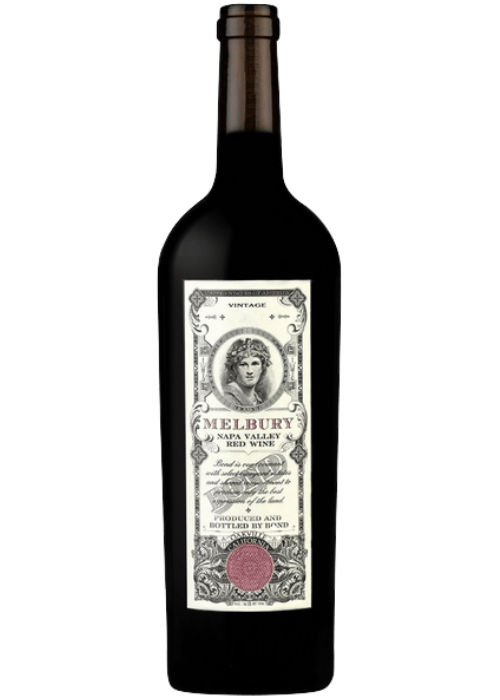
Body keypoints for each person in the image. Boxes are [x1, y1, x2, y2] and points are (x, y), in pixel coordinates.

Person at [223, 337, 272, 407]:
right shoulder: (227, 397)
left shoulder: (258, 399)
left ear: (262, 368)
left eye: (255, 364)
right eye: (243, 364)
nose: (250, 371)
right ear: (234, 368)